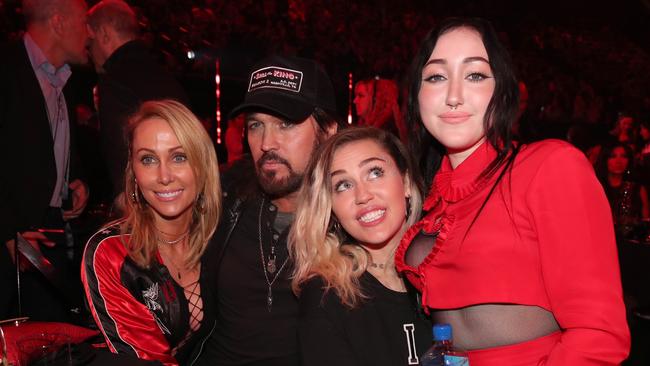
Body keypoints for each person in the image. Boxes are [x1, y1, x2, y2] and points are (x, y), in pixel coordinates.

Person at [395, 17, 630, 364]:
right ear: (417, 97)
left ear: (503, 92)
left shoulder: (549, 166)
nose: (454, 95)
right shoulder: (429, 196)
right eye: (436, 77)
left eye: (475, 75)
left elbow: (599, 335)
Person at [195, 55, 340, 366]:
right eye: (256, 125)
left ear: (327, 131)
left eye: (285, 124)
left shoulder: (350, 221)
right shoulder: (223, 202)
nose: (266, 143)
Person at [81, 100, 221, 365]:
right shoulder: (113, 253)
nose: (164, 175)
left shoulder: (220, 235)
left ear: (203, 166)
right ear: (134, 173)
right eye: (148, 159)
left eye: (179, 157)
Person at [290, 127, 431, 366]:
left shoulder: (446, 271)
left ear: (406, 182)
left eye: (375, 173)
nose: (362, 195)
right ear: (331, 208)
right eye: (343, 185)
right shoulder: (327, 295)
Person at [0, 0, 90, 321]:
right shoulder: (6, 70)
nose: (89, 32)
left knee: (51, 336)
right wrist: (8, 230)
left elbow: (46, 145)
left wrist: (73, 177)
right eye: (84, 21)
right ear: (58, 21)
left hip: (47, 230)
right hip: (12, 236)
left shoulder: (62, 79)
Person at [87, 0, 189, 203]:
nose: (88, 52)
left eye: (90, 43)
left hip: (145, 209)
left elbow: (121, 171)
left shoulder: (114, 81)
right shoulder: (166, 76)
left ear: (104, 34)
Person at [595, 142, 649, 227]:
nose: (618, 161)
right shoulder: (597, 188)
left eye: (624, 156)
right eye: (613, 156)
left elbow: (646, 220)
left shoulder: (637, 189)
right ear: (605, 160)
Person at [354, 77, 407, 142]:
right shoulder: (365, 129)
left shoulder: (384, 137)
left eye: (361, 95)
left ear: (376, 100)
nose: (355, 101)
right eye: (356, 96)